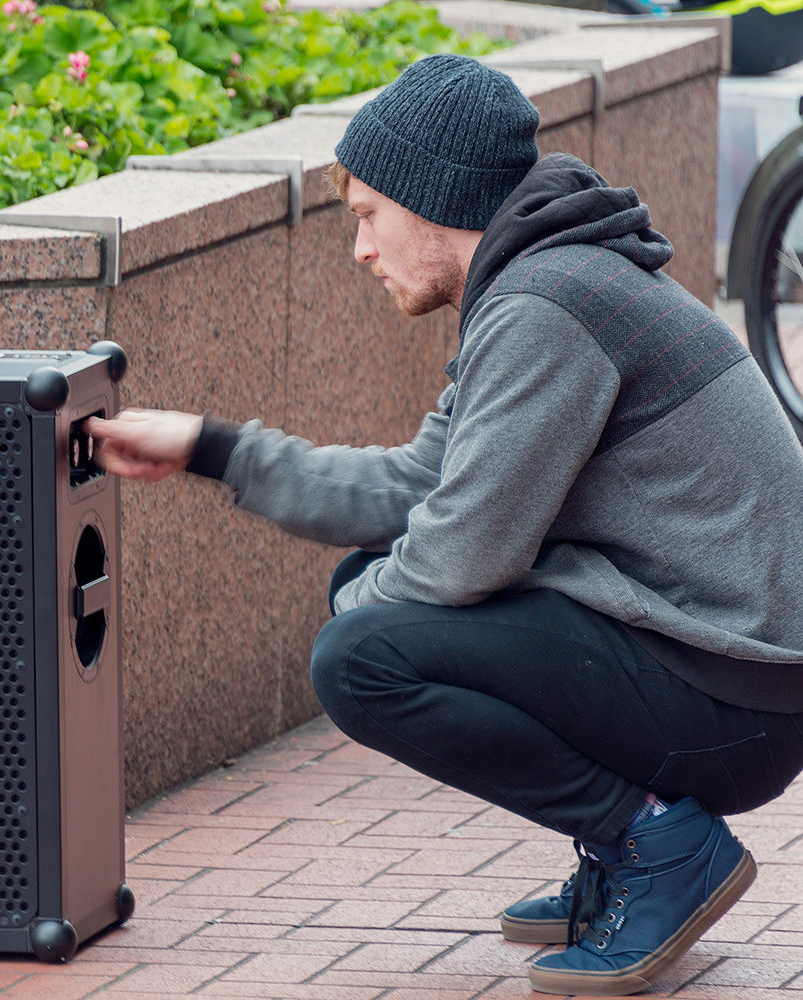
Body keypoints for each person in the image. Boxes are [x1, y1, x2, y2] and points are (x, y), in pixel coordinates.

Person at [86, 54, 803, 997]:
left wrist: (368, 617)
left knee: (363, 656)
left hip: (736, 699)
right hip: (717, 665)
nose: (362, 251)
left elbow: (463, 552)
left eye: (368, 216)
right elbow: (416, 488)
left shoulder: (550, 304)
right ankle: (629, 837)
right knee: (369, 602)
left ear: (433, 202)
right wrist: (211, 448)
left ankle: (658, 846)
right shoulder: (541, 285)